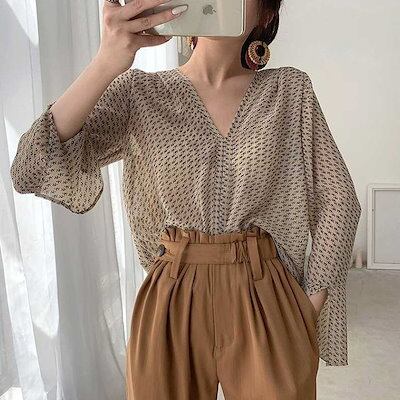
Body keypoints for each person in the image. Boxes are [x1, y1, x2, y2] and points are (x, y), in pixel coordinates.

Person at [10, 0, 362, 398]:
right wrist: (107, 61)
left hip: (266, 292)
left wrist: (309, 303)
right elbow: (31, 167)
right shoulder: (140, 93)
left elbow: (338, 198)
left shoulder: (289, 91)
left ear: (265, 12)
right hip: (172, 295)